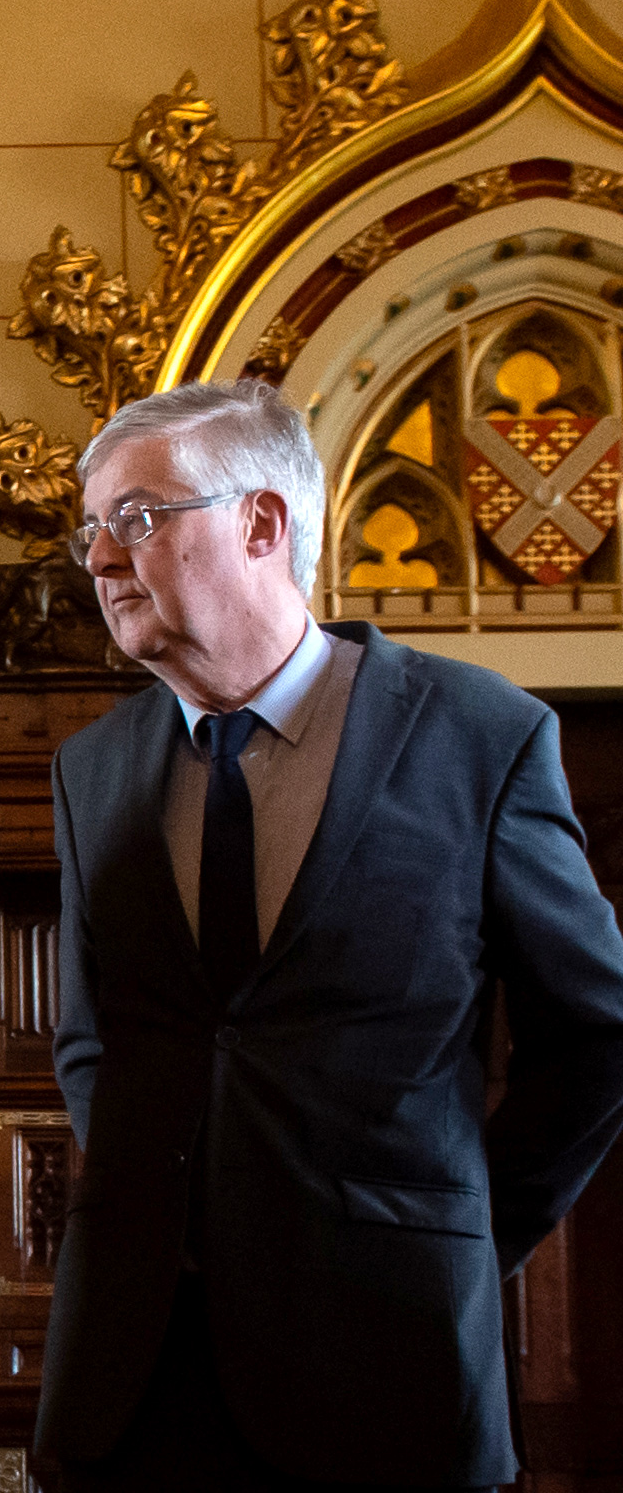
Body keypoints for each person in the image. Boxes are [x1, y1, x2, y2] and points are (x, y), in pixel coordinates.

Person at [35, 379, 623, 1492]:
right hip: (133, 1377)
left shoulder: (478, 735)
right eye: (93, 531)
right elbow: (92, 1037)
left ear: (260, 522)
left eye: (138, 518)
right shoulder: (93, 768)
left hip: (388, 1359)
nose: (104, 560)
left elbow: (594, 1034)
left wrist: (449, 1233)